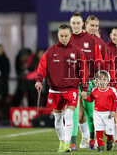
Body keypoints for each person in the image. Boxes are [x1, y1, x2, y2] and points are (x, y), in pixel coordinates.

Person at [35, 24, 88, 153]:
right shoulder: (50, 52)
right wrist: (38, 81)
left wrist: (85, 88)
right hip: (55, 90)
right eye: (61, 36)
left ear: (70, 35)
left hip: (71, 89)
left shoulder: (78, 52)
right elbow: (41, 67)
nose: (64, 38)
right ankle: (61, 142)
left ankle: (66, 143)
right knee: (58, 118)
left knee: (69, 115)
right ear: (58, 36)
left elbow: (84, 71)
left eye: (66, 36)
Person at [69, 12, 103, 150]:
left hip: (88, 82)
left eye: (78, 23)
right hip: (71, 82)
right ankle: (72, 142)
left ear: (82, 24)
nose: (76, 25)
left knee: (90, 114)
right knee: (73, 113)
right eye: (73, 23)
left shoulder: (91, 40)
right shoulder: (67, 40)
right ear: (70, 24)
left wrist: (97, 78)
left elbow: (99, 61)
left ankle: (91, 139)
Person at [82, 70, 117, 152]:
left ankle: (110, 140)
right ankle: (101, 146)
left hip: (108, 114)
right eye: (100, 79)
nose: (102, 81)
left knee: (109, 133)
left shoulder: (111, 91)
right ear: (96, 81)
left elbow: (115, 101)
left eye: (104, 79)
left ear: (108, 81)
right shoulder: (94, 90)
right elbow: (91, 99)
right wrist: (85, 98)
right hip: (97, 113)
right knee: (99, 130)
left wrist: (113, 111)